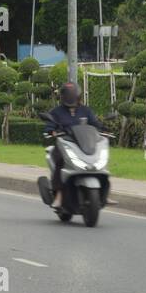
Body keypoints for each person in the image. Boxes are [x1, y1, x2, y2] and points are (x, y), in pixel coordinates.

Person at [44, 82, 102, 210]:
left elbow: (95, 124)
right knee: (60, 162)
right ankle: (59, 195)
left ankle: (104, 192)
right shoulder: (56, 112)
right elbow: (49, 126)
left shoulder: (86, 110)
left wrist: (103, 129)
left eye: (74, 96)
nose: (72, 99)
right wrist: (52, 132)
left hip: (84, 145)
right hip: (64, 145)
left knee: (100, 159)